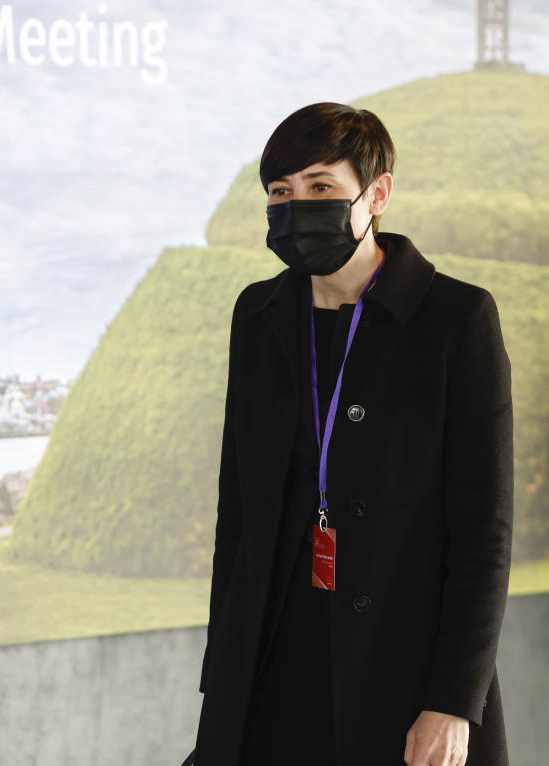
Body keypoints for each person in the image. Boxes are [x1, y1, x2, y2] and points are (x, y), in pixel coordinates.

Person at [188, 103, 512, 766]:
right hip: (271, 662)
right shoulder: (260, 314)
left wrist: (454, 700)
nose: (295, 205)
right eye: (280, 192)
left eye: (320, 187)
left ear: (378, 194)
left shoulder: (455, 318)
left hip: (403, 670)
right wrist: (221, 676)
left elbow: (485, 533)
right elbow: (238, 515)